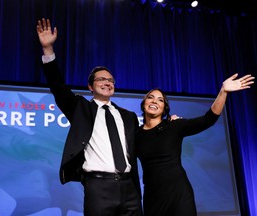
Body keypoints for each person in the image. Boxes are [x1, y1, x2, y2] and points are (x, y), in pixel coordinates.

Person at [36, 18, 143, 216]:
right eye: (101, 79)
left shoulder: (128, 116)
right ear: (90, 87)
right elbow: (58, 87)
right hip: (98, 187)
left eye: (110, 80)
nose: (107, 82)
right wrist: (48, 50)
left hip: (130, 188)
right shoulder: (80, 108)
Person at [136, 74, 255, 216]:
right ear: (144, 103)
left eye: (160, 100)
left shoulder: (174, 126)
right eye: (150, 97)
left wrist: (223, 91)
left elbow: (208, 119)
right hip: (153, 198)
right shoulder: (136, 134)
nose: (155, 101)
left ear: (164, 108)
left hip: (179, 195)